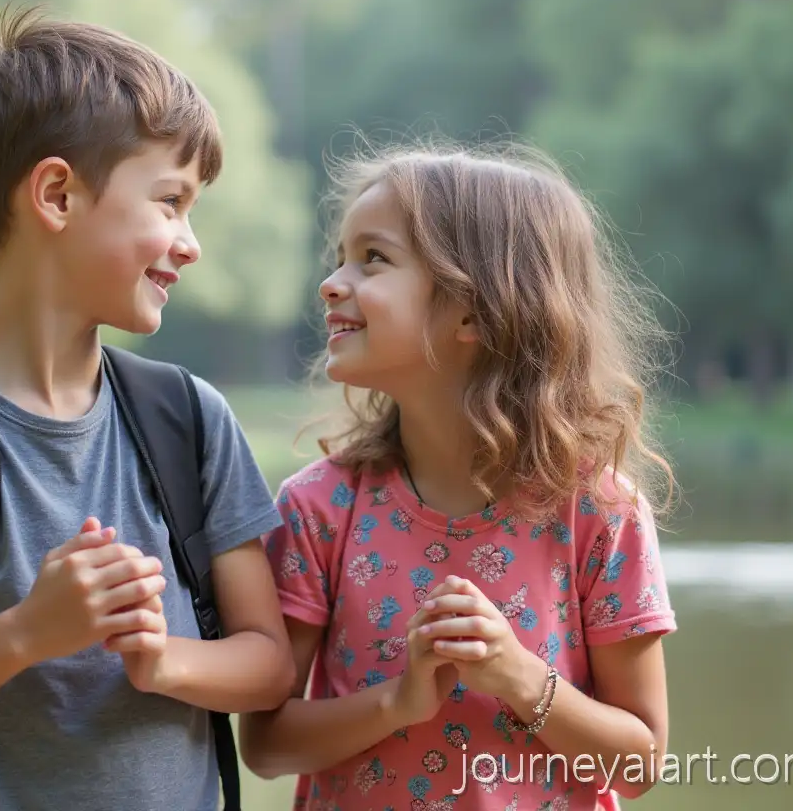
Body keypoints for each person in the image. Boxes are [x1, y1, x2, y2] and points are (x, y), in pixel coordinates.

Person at [0, 5, 295, 811]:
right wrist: (30, 632)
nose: (190, 241)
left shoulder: (191, 420)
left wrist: (163, 659)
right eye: (170, 201)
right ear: (58, 195)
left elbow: (268, 662)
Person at [241, 142, 679, 810]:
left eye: (373, 259)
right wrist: (397, 701)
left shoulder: (599, 512)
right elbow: (266, 742)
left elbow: (641, 760)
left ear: (474, 310)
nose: (333, 283)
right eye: (339, 259)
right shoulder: (319, 509)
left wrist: (518, 678)